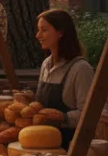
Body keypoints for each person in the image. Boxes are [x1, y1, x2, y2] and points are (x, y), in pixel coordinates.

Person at [35, 9, 95, 138]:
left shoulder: (81, 69)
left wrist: (64, 117)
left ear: (61, 32)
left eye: (44, 30)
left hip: (69, 144)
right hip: (43, 140)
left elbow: (92, 115)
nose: (38, 35)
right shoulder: (46, 64)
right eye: (38, 30)